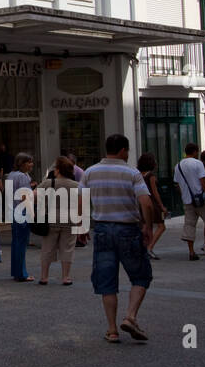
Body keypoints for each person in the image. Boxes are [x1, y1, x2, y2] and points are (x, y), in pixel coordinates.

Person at [82, 134, 154, 343]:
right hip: (128, 229)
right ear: (123, 150)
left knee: (107, 281)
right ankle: (130, 317)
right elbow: (146, 203)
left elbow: (81, 201)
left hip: (102, 229)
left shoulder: (90, 172)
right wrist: (147, 227)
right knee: (141, 275)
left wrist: (82, 225)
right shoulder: (132, 173)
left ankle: (112, 330)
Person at [39, 156, 78, 285]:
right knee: (67, 249)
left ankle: (44, 277)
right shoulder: (76, 185)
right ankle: (66, 277)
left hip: (51, 220)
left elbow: (32, 196)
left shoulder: (48, 183)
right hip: (70, 220)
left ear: (58, 170)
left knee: (47, 248)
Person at [8, 153, 37, 283]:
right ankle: (21, 274)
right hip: (22, 211)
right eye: (29, 162)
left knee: (16, 243)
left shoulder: (11, 175)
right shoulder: (23, 177)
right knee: (21, 244)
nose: (31, 164)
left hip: (13, 210)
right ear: (23, 163)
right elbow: (25, 197)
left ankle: (16, 271)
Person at [136, 153, 169, 259]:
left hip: (142, 202)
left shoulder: (139, 174)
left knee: (146, 226)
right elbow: (155, 193)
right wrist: (162, 206)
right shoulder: (151, 176)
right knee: (161, 226)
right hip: (153, 203)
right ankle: (150, 247)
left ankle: (142, 247)